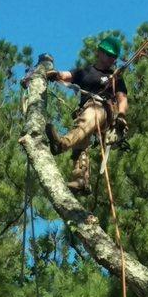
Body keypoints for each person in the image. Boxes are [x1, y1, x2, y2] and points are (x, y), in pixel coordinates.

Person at [45, 36, 128, 195]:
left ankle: (61, 144)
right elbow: (66, 75)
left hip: (103, 109)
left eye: (113, 57)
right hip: (85, 111)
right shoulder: (85, 71)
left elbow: (122, 97)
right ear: (99, 53)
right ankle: (81, 179)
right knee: (81, 137)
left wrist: (122, 115)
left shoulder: (114, 77)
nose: (111, 59)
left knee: (89, 117)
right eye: (108, 55)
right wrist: (54, 74)